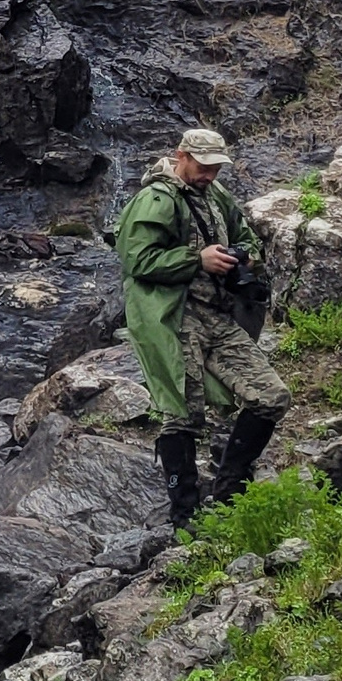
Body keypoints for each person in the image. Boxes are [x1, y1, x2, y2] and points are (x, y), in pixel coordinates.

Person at [112, 123, 287, 527]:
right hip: (176, 317)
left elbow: (246, 237)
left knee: (271, 396)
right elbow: (137, 261)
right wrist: (197, 260)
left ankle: (229, 489)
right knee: (182, 413)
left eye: (216, 168)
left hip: (218, 318)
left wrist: (241, 256)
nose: (210, 174)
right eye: (203, 166)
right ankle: (185, 515)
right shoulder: (155, 199)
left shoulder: (216, 194)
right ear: (182, 156)